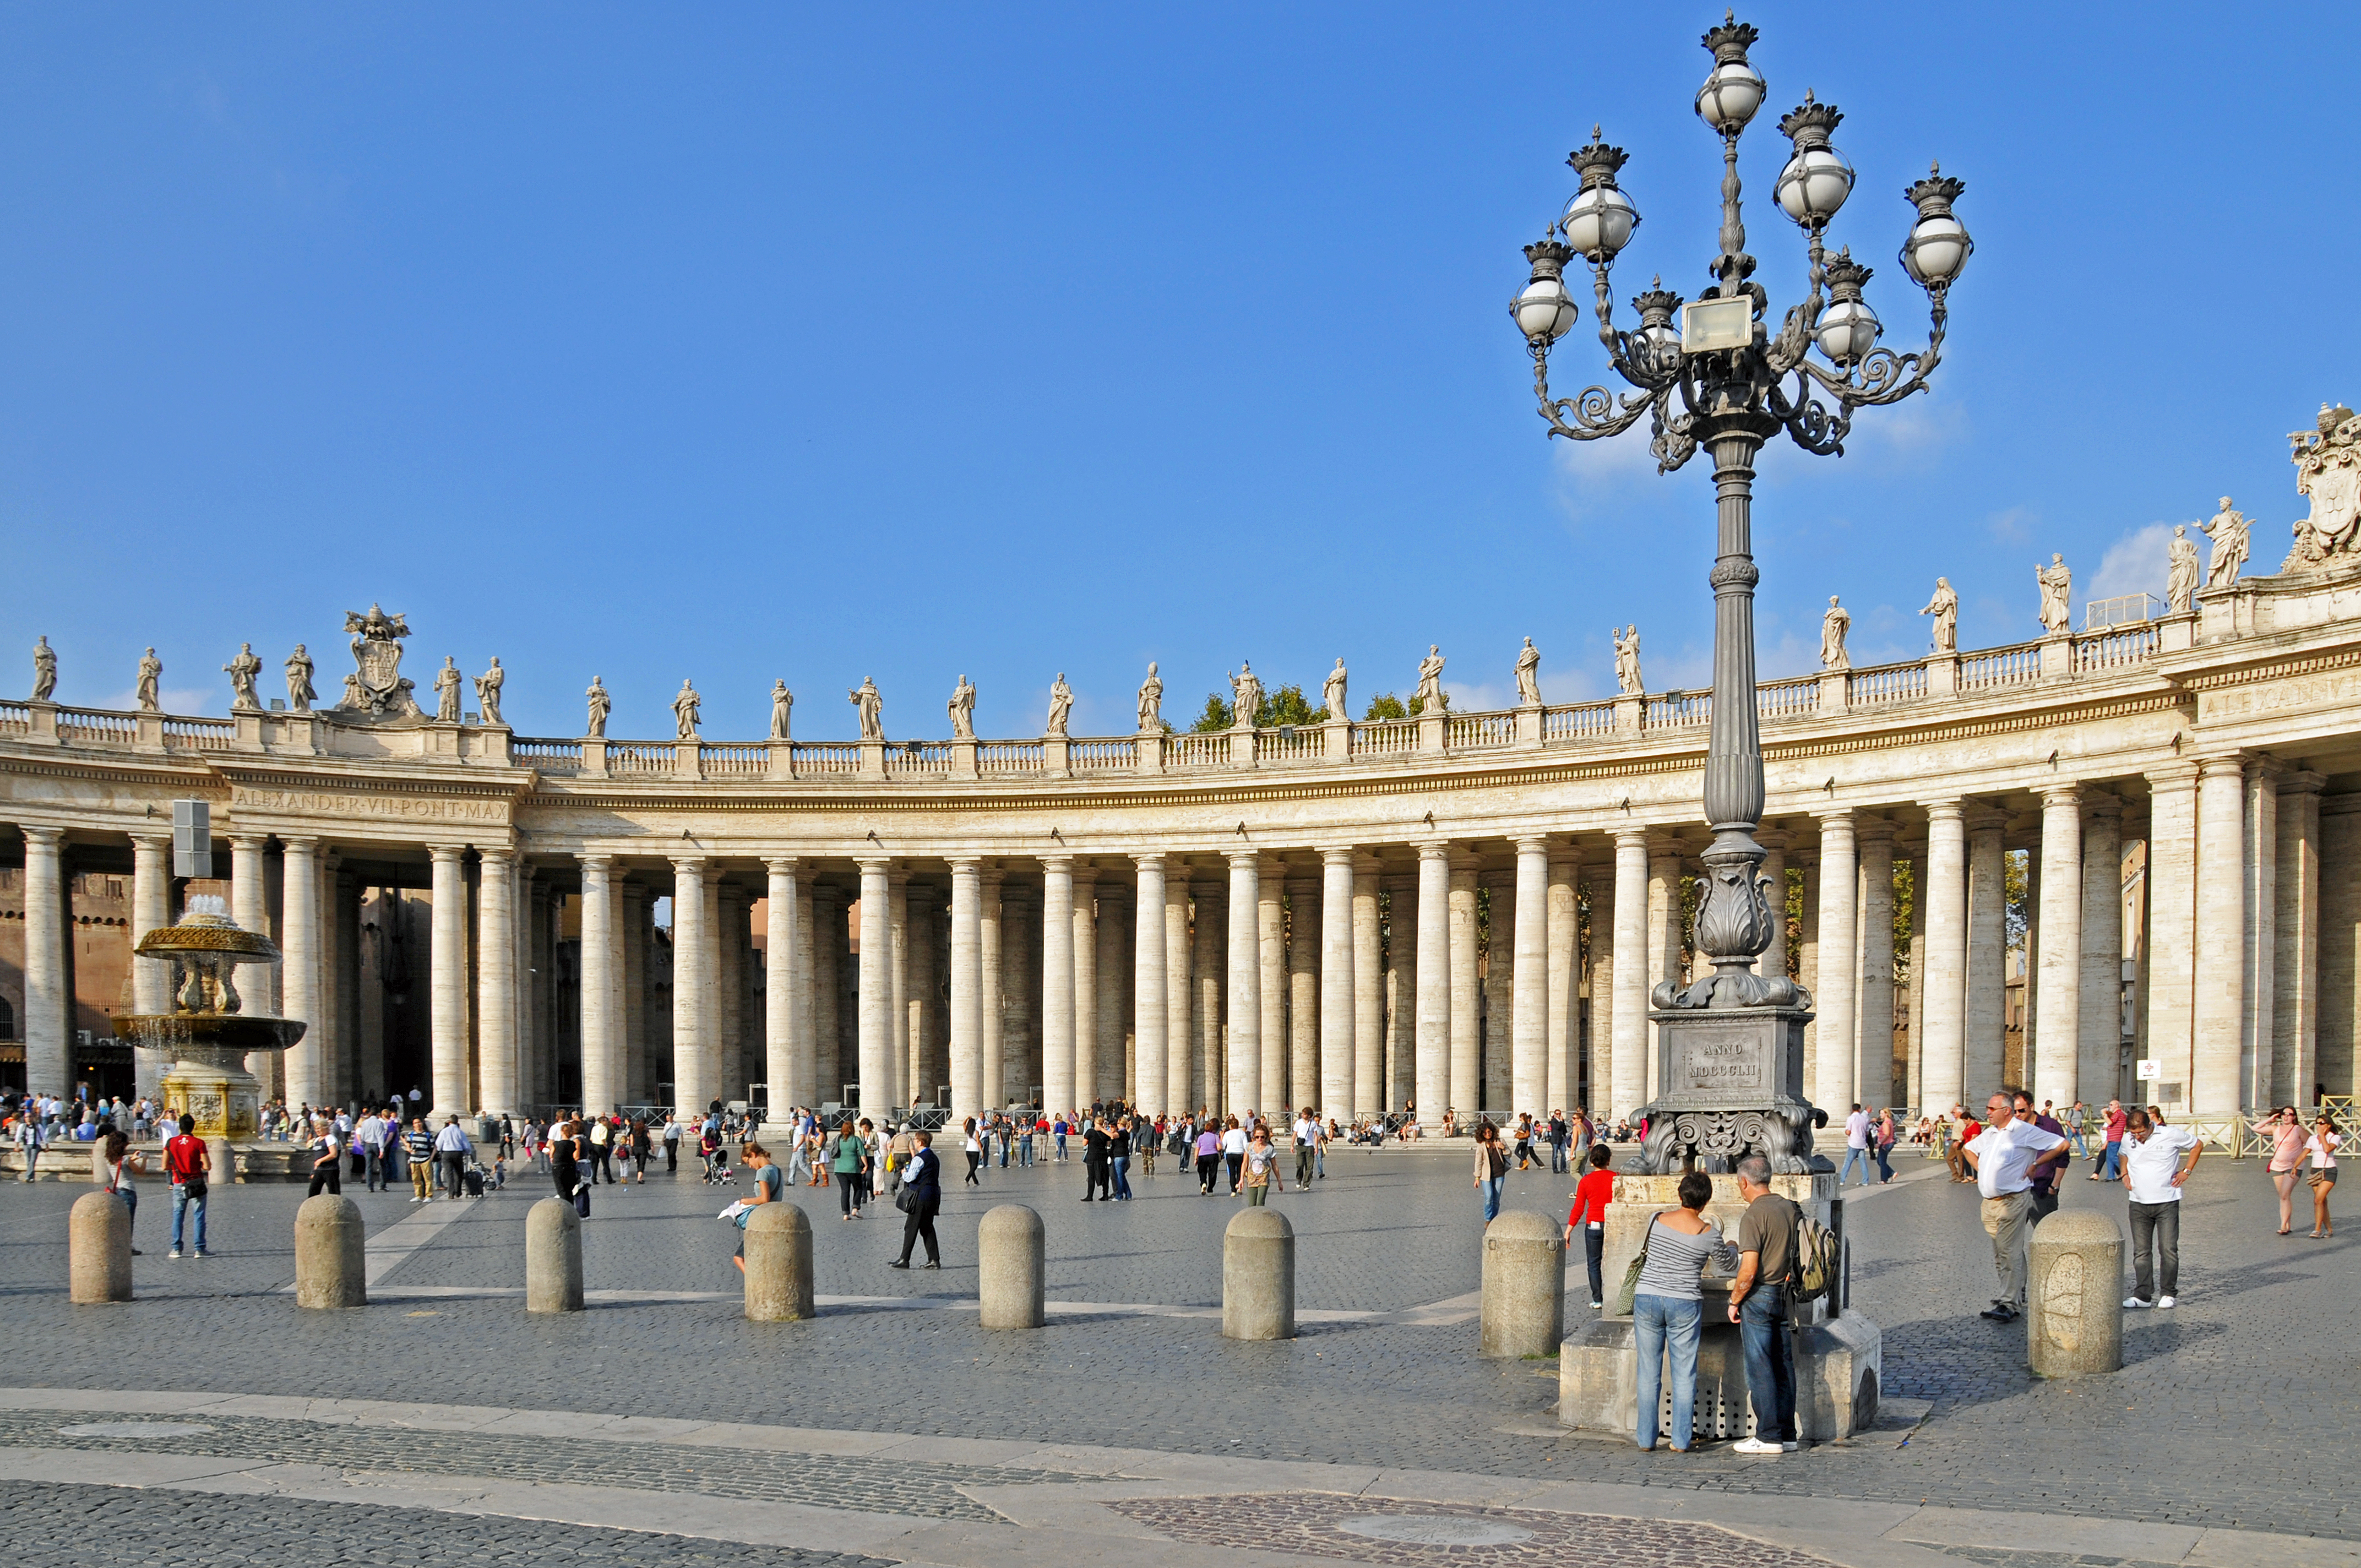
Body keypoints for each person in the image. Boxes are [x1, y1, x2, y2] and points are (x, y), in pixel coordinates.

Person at [1633, 1170, 1739, 1452]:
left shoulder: (1657, 1219)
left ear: (1680, 1195)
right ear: (1705, 1203)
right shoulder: (1708, 1232)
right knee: (1683, 1373)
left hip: (1647, 1297)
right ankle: (1680, 1441)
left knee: (1647, 1372)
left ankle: (1645, 1438)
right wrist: (1732, 1247)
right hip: (1684, 1302)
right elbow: (1728, 1266)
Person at [1962, 1089, 2069, 1323]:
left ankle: (2010, 1303)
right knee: (2000, 1252)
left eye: (1992, 1109)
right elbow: (1967, 1149)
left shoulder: (2024, 1132)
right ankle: (2007, 1295)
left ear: (2006, 1111)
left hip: (2013, 1200)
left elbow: (2062, 1145)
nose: (1987, 1113)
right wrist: (1982, 1169)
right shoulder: (1991, 1133)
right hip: (1989, 1203)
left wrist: (2036, 1163)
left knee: (2009, 1251)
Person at [1726, 1155, 1798, 1454]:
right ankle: (1787, 1433)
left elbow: (1749, 1268)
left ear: (1744, 1182)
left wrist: (1734, 1300)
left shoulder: (1754, 1215)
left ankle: (1768, 1436)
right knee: (1783, 1364)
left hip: (1760, 1296)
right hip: (1786, 1293)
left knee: (1760, 1366)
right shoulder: (1789, 1207)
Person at [2119, 1107, 2201, 1308]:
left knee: (2168, 1249)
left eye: (2141, 1133)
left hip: (2166, 1201)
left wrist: (2186, 1171)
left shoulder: (2170, 1134)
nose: (2137, 1137)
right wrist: (2124, 1173)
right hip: (2138, 1202)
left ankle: (2168, 1293)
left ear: (2150, 1126)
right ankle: (2143, 1295)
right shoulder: (2127, 1139)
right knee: (2141, 1251)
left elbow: (2197, 1144)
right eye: (2134, 1134)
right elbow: (2123, 1154)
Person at [1564, 1144, 1615, 1310]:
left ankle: (1598, 1299)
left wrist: (1568, 1231)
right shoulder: (1616, 1178)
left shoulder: (1586, 1181)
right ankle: (1614, 1295)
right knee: (1613, 1261)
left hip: (1593, 1225)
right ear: (1609, 1160)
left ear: (1592, 1162)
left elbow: (1578, 1209)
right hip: (1612, 1224)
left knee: (1594, 1263)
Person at [889, 1130, 942, 1269]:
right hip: (933, 1195)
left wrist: (904, 1173)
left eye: (915, 1139)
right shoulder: (934, 1157)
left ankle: (904, 1259)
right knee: (927, 1227)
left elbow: (911, 1177)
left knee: (911, 1227)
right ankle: (934, 1260)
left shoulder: (919, 1158)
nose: (914, 1141)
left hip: (920, 1196)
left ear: (920, 1142)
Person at [2013, 1090, 2069, 1221]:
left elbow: (2064, 1158)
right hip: (2016, 1190)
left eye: (2021, 1111)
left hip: (2042, 1188)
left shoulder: (2051, 1126)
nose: (2017, 1115)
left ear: (2031, 1107)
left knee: (2046, 1235)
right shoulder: (2013, 1128)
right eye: (2014, 1112)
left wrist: (2054, 1186)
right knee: (2012, 1237)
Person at [730, 1142, 784, 1273]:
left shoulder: (762, 1172)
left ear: (753, 1155)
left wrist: (745, 1201)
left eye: (748, 1162)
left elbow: (764, 1199)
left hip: (762, 1220)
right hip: (774, 1218)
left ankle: (755, 1284)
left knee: (739, 1258)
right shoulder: (777, 1170)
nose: (750, 1166)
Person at [2253, 1106, 2305, 1234]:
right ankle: (2287, 1225)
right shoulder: (2275, 1129)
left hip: (2293, 1167)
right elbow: (2255, 1128)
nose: (2286, 1116)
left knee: (2284, 1195)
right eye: (2284, 1114)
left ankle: (2283, 1226)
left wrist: (2299, 1160)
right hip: (2277, 1166)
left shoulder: (2298, 1130)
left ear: (2294, 1117)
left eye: (2290, 1114)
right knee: (2283, 1197)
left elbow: (2309, 1145)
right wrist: (2270, 1119)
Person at [164, 1113, 209, 1258]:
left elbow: (164, 1165)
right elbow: (207, 1166)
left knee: (178, 1215)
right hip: (196, 1182)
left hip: (179, 1182)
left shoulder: (171, 1142)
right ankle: (199, 1249)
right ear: (193, 1127)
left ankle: (176, 1249)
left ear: (180, 1127)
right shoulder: (199, 1143)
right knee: (199, 1216)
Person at [101, 1129, 146, 1255]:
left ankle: (116, 1244)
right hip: (128, 1191)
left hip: (117, 1192)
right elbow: (141, 1171)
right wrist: (145, 1159)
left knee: (119, 1220)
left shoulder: (109, 1159)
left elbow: (122, 1166)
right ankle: (127, 1246)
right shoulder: (126, 1159)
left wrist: (133, 1159)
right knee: (129, 1220)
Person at [2304, 1114, 2342, 1239]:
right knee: (2322, 1201)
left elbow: (2327, 1149)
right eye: (2317, 1123)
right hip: (2315, 1171)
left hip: (2329, 1171)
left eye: (2322, 1123)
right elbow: (2304, 1153)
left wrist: (2322, 1136)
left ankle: (2317, 1229)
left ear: (2328, 1125)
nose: (2319, 1126)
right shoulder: (2313, 1138)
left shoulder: (2335, 1137)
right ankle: (2329, 1229)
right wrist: (2295, 1167)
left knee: (2318, 1200)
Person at [1472, 1121, 1509, 1223]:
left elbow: (1509, 1153)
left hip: (1499, 1174)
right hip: (1486, 1176)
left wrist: (1503, 1148)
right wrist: (1477, 1178)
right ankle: (1488, 1219)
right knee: (1489, 1197)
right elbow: (1478, 1162)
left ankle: (1494, 1219)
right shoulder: (1481, 1146)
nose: (1488, 1134)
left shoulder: (1500, 1141)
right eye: (1485, 1133)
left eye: (1489, 1132)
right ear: (1481, 1134)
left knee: (1496, 1199)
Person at [830, 1121, 866, 1218]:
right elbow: (862, 1153)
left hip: (839, 1169)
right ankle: (855, 1208)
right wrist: (866, 1165)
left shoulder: (838, 1139)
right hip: (853, 1168)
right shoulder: (856, 1140)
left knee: (845, 1191)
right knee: (858, 1188)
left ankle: (846, 1214)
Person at [1243, 1124, 1283, 1205]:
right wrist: (1241, 1179)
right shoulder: (1249, 1146)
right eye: (1257, 1137)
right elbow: (1245, 1163)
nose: (1260, 1139)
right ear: (1254, 1136)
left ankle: (1260, 1217)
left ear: (1266, 1137)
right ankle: (1252, 1218)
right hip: (1251, 1178)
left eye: (1262, 1137)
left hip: (1264, 1178)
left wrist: (1279, 1181)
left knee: (1260, 1203)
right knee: (1252, 1205)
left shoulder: (1270, 1149)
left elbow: (1275, 1165)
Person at [434, 1115, 473, 1200]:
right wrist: (467, 1152)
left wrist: (440, 1151)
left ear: (450, 1122)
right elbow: (466, 1145)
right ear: (457, 1122)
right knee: (459, 1173)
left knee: (449, 1173)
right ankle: (458, 1191)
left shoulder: (444, 1131)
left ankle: (451, 1193)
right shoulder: (460, 1132)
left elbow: (439, 1144)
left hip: (447, 1153)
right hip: (457, 1153)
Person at [2091, 1098, 2128, 1182]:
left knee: (2113, 1157)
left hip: (2115, 1138)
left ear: (2117, 1106)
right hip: (2112, 1138)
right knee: (2109, 1158)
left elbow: (2110, 1123)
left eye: (2111, 1105)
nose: (2109, 1106)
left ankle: (2126, 1171)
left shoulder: (2118, 1113)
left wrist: (2104, 1114)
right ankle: (2111, 1176)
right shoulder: (2116, 1114)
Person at [307, 1118, 343, 1196]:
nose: (317, 1131)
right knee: (313, 1192)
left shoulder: (330, 1138)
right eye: (316, 1129)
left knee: (334, 1193)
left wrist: (321, 1160)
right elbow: (317, 1157)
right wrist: (314, 1171)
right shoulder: (317, 1140)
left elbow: (334, 1154)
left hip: (330, 1169)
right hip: (319, 1170)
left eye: (319, 1128)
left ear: (326, 1128)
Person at [1840, 1104, 1873, 1188]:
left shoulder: (1851, 1118)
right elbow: (1867, 1132)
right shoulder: (1864, 1119)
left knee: (1848, 1162)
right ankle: (1865, 1181)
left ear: (1852, 1109)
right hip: (1862, 1143)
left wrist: (1848, 1133)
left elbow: (1848, 1132)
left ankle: (1842, 1180)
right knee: (1863, 1163)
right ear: (1859, 1109)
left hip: (1853, 1143)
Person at [1080, 1117, 1112, 1201]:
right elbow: (1108, 1144)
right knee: (1105, 1176)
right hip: (1103, 1156)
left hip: (1092, 1157)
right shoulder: (1105, 1133)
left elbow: (1084, 1143)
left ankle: (1090, 1196)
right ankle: (1105, 1195)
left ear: (1095, 1123)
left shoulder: (1090, 1132)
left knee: (1091, 1177)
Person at [404, 1116, 434, 1201]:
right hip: (414, 1159)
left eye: (419, 1122)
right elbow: (408, 1146)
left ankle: (429, 1196)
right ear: (413, 1125)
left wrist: (431, 1158)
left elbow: (434, 1147)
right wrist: (410, 1150)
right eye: (415, 1123)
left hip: (425, 1159)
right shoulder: (411, 1135)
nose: (417, 1125)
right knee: (416, 1179)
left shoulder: (428, 1135)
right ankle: (418, 1195)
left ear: (422, 1123)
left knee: (428, 1179)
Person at [13, 1102, 44, 1182]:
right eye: (27, 1117)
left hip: (36, 1145)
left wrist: (47, 1145)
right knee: (29, 1161)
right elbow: (18, 1136)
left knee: (33, 1160)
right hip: (26, 1145)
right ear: (25, 1118)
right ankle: (32, 1178)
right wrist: (17, 1145)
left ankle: (27, 1176)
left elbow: (44, 1136)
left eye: (30, 1117)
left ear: (33, 1118)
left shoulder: (38, 1126)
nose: (28, 1118)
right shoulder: (22, 1126)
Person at [1221, 1115, 1248, 1194]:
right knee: (1240, 1171)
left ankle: (1233, 1190)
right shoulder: (1242, 1133)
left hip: (1230, 1153)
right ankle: (1238, 1185)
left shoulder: (1227, 1134)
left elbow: (1223, 1145)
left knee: (1232, 1172)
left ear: (1230, 1126)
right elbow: (1246, 1145)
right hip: (1239, 1153)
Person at [1293, 1107, 1319, 1189]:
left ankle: (1306, 1184)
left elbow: (1315, 1136)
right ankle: (1299, 1179)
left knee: (1310, 1166)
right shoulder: (1299, 1122)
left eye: (1304, 1114)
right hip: (1300, 1146)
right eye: (1302, 1113)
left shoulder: (1313, 1123)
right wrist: (1292, 1145)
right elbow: (1294, 1134)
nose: (1302, 1115)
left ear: (1309, 1116)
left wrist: (1316, 1147)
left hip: (1310, 1146)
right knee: (1300, 1164)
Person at [1108, 1117, 1134, 1201]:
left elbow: (1112, 1136)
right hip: (1124, 1156)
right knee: (1122, 1177)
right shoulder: (1124, 1132)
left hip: (1120, 1157)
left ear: (1121, 1124)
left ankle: (1119, 1196)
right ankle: (1128, 1194)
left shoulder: (1122, 1132)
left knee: (1119, 1177)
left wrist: (1101, 1129)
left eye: (1118, 1124)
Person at [1195, 1122, 1222, 1195]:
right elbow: (1219, 1147)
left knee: (1202, 1171)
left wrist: (1196, 1159)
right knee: (1213, 1173)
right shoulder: (1215, 1136)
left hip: (1202, 1156)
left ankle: (1203, 1183)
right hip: (1213, 1155)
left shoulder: (1201, 1137)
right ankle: (1210, 1190)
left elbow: (1197, 1149)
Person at [961, 1117, 983, 1186]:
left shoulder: (967, 1131)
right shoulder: (976, 1132)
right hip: (975, 1150)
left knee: (972, 1167)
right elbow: (979, 1142)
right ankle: (967, 1179)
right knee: (974, 1167)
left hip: (968, 1150)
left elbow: (963, 1124)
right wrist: (982, 1151)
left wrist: (967, 1119)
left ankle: (976, 1182)